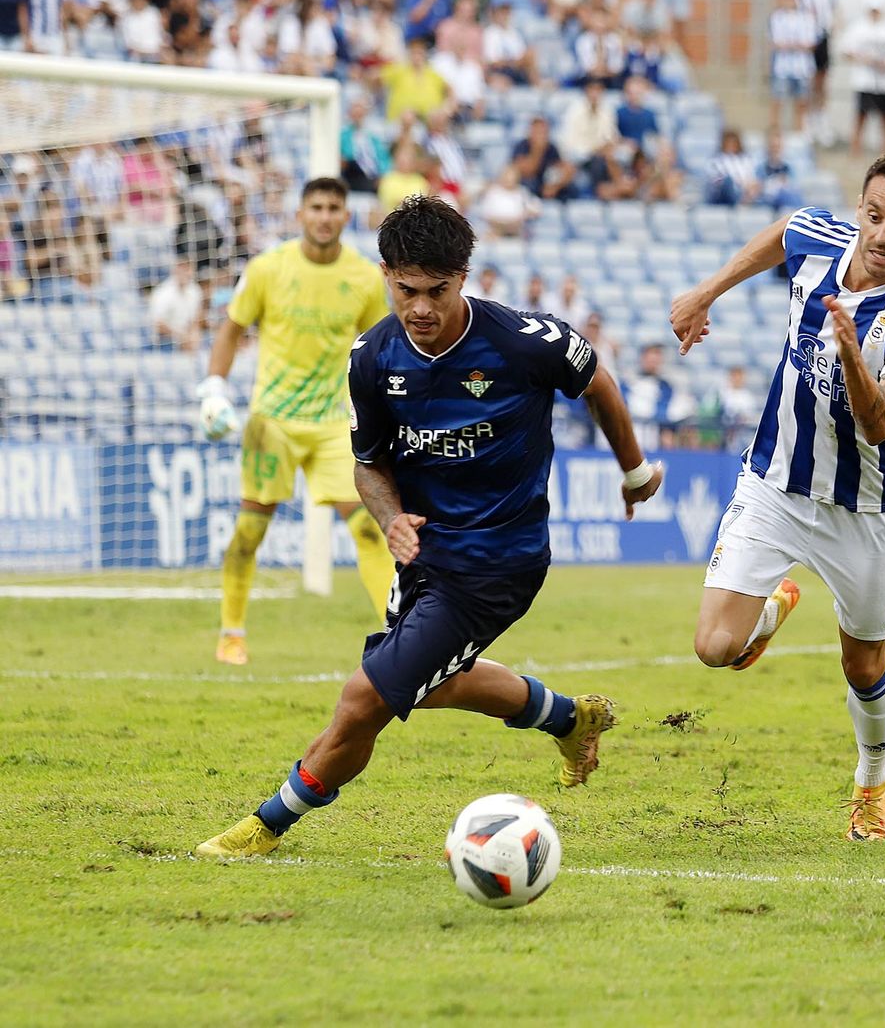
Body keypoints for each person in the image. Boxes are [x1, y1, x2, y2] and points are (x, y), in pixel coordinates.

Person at [194, 194, 665, 859]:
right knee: (433, 680)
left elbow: (600, 385)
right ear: (385, 274)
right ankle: (569, 717)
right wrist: (389, 519)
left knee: (364, 699)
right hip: (423, 559)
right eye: (406, 289)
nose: (420, 308)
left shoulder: (527, 343)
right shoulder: (373, 359)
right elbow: (368, 465)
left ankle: (265, 826)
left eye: (436, 291)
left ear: (463, 278)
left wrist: (636, 470)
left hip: (497, 562)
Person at [668, 152, 885, 841]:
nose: (883, 235)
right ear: (860, 208)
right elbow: (784, 230)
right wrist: (709, 291)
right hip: (776, 481)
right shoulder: (824, 239)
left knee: (863, 663)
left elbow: (881, 421)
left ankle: (872, 779)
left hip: (864, 508)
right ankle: (767, 614)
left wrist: (854, 353)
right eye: (875, 215)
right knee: (713, 646)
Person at [196, 178, 397, 667]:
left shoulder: (366, 278)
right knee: (249, 529)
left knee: (370, 529)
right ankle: (232, 633)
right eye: (316, 207)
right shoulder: (269, 268)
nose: (325, 216)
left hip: (334, 423)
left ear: (345, 214)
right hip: (274, 422)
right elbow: (231, 330)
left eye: (333, 207)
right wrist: (214, 388)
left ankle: (398, 637)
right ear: (300, 214)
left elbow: (376, 352)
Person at [838, 0, 885, 157]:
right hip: (864, 81)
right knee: (861, 117)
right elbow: (845, 51)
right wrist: (862, 59)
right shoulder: (858, 28)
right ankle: (855, 152)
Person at [768, 0, 818, 133]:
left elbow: (809, 43)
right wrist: (795, 45)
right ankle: (775, 132)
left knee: (802, 103)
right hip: (782, 67)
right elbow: (776, 42)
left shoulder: (806, 18)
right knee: (778, 101)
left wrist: (791, 45)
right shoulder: (776, 17)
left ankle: (800, 132)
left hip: (801, 67)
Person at [796, 0, 837, 146]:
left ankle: (821, 120)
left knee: (822, 81)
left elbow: (835, 13)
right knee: (807, 82)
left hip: (822, 38)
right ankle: (807, 122)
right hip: (805, 40)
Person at [149, 257, 206, 351]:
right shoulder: (163, 292)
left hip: (187, 337)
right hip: (165, 340)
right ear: (175, 270)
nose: (185, 272)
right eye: (182, 268)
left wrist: (194, 334)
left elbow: (197, 317)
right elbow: (158, 325)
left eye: (188, 269)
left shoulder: (195, 290)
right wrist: (181, 337)